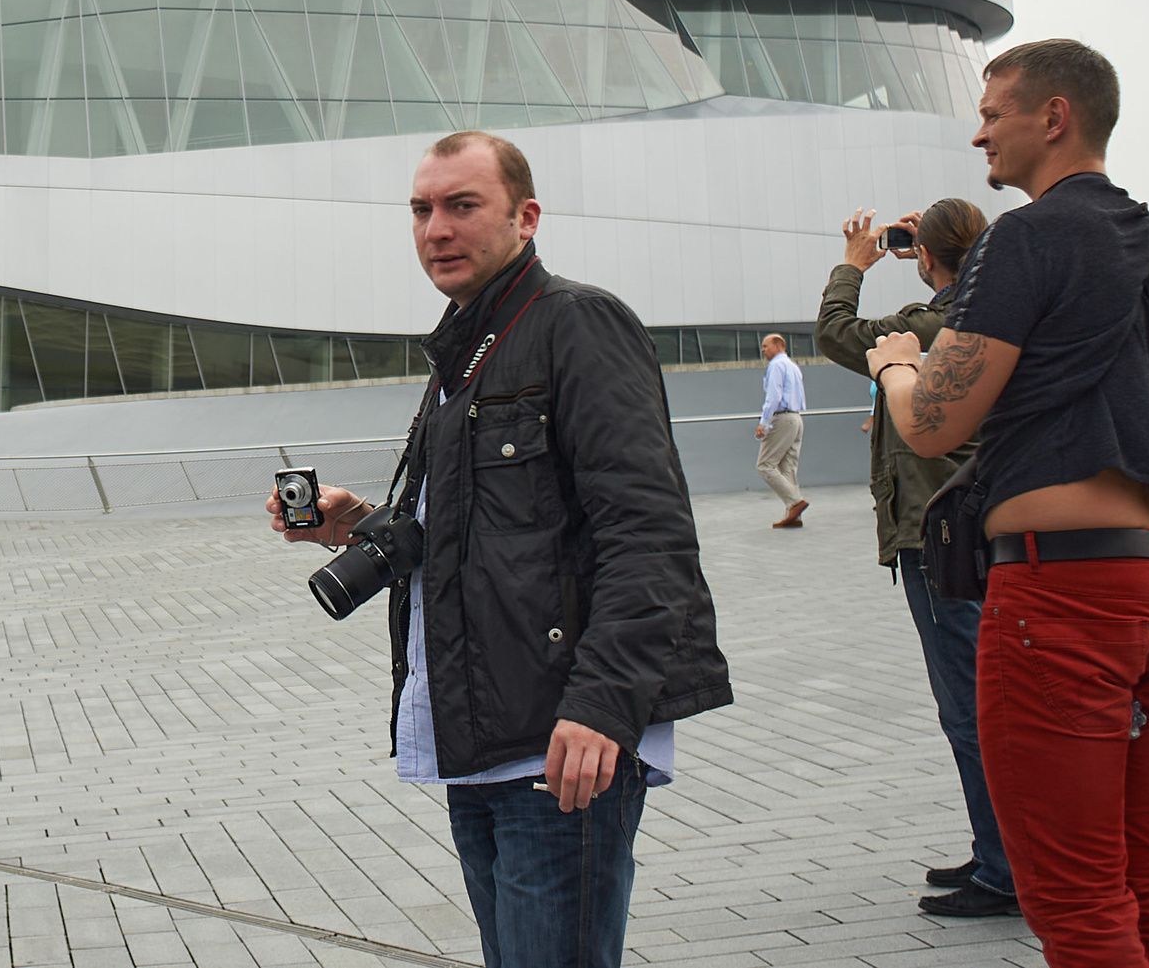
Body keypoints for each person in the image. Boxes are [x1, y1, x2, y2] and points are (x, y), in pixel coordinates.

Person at [268, 131, 730, 968]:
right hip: (482, 736)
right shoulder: (464, 350)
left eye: (462, 205)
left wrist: (602, 704)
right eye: (421, 209)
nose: (436, 228)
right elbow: (499, 525)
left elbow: (649, 533)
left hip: (559, 739)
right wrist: (360, 519)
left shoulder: (576, 323)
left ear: (526, 217)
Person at [871, 38, 1149, 968]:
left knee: (1076, 898)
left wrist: (898, 367)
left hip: (1063, 604)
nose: (978, 131)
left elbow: (936, 426)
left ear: (1054, 116)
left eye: (993, 112)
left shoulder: (1023, 238)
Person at [816, 200, 1016, 920]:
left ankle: (1004, 869)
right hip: (976, 529)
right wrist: (936, 245)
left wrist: (854, 264)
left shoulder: (937, 320)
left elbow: (837, 334)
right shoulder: (990, 305)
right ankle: (997, 847)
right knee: (980, 700)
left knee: (968, 705)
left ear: (928, 255)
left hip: (941, 537)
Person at [756, 333, 807, 527]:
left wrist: (764, 422)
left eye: (765, 346)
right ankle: (794, 516)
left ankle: (795, 502)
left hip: (783, 417)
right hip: (796, 417)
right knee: (788, 468)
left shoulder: (776, 366)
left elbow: (774, 396)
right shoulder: (793, 366)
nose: (763, 350)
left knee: (765, 465)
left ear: (778, 346)